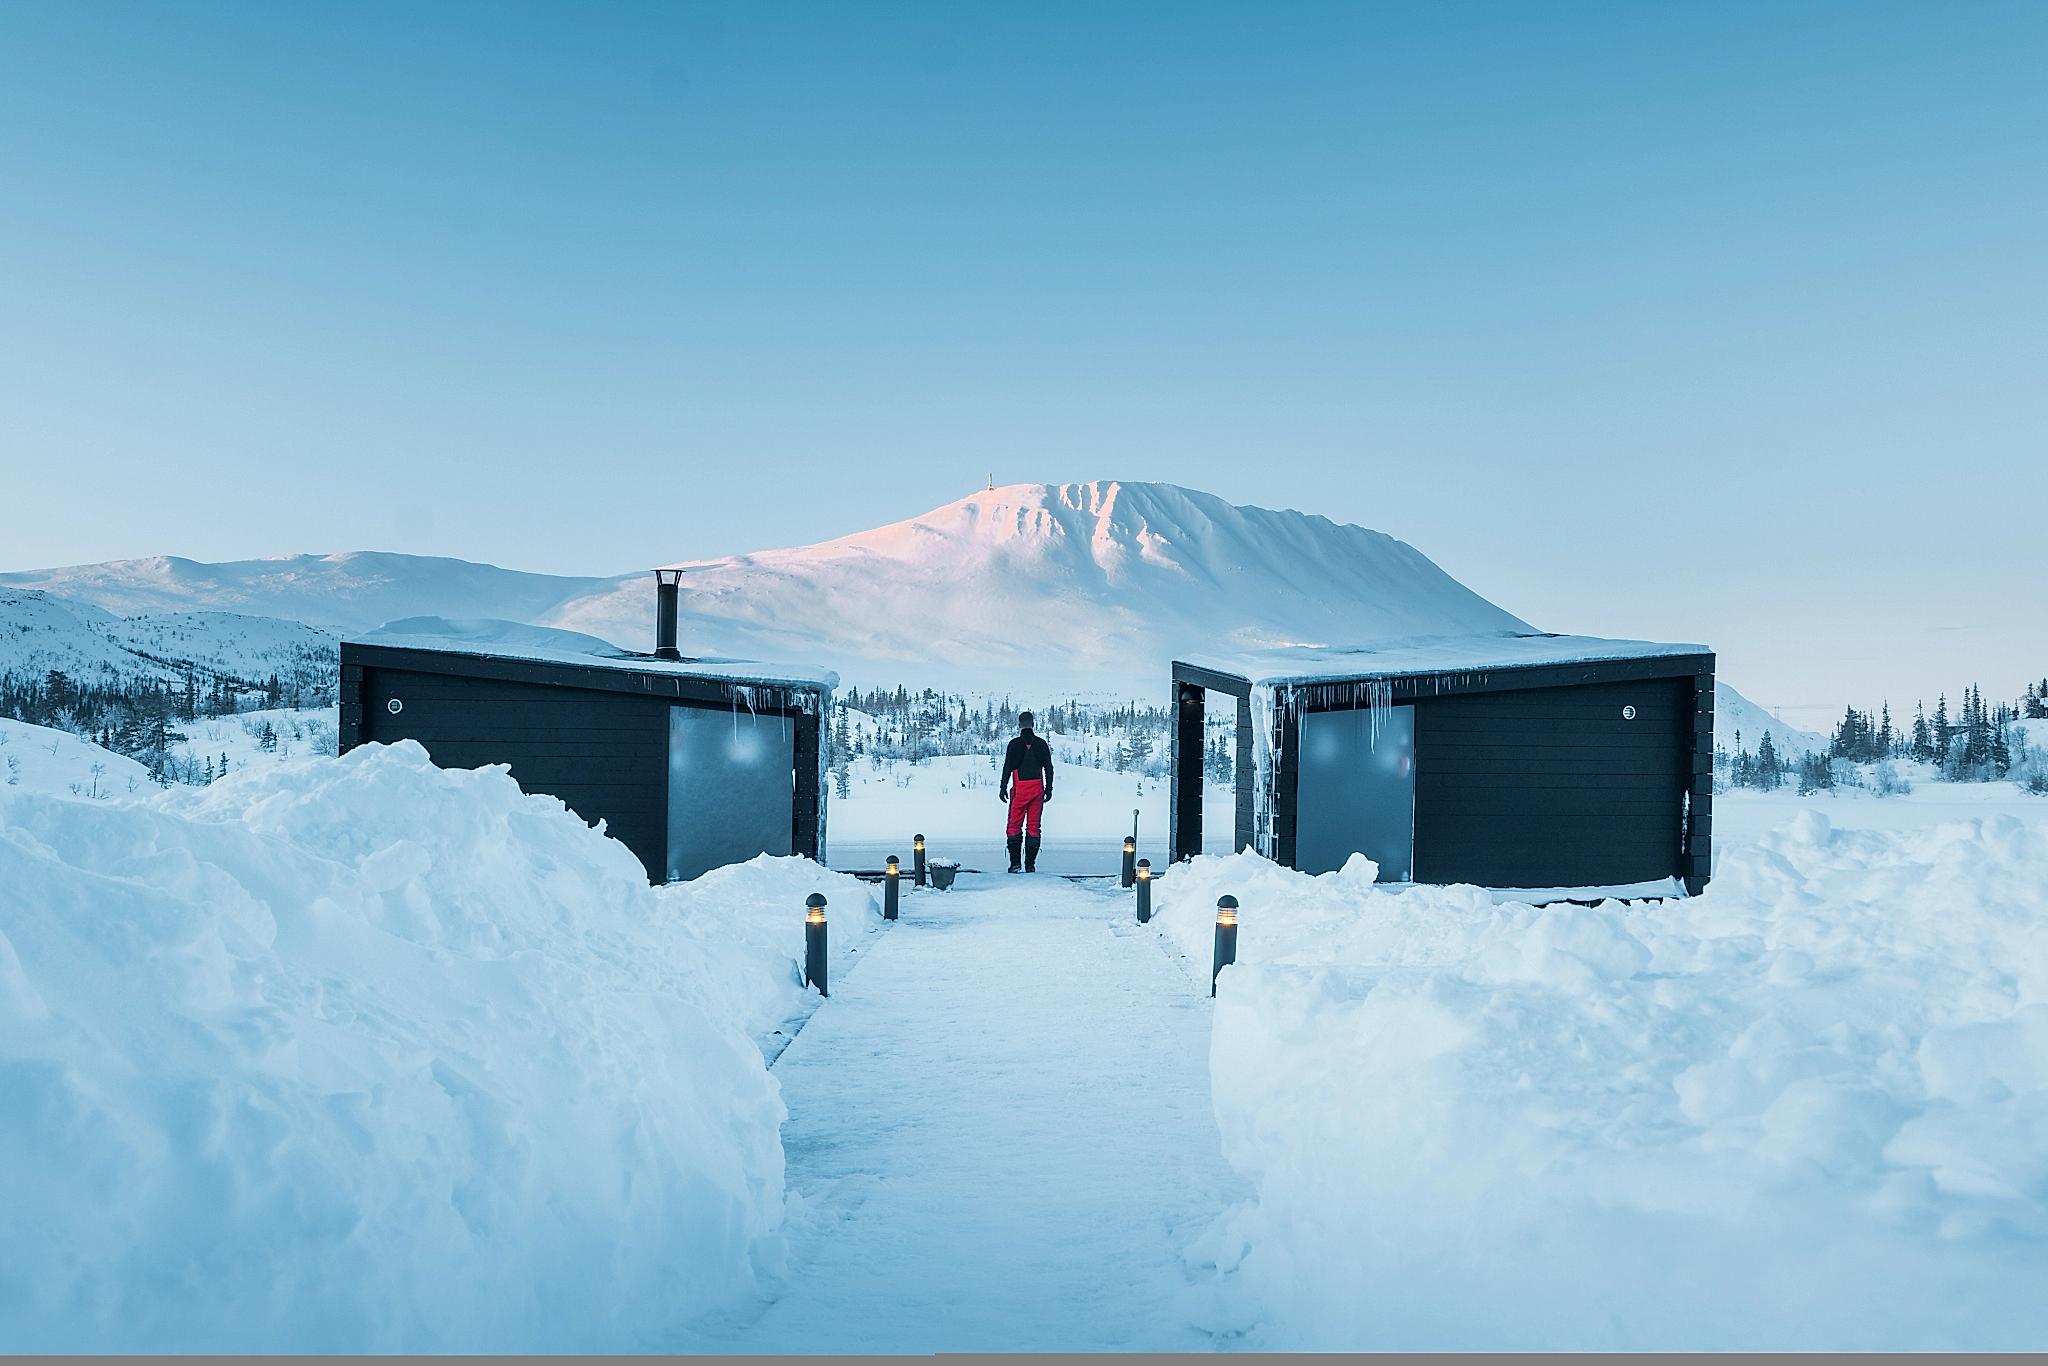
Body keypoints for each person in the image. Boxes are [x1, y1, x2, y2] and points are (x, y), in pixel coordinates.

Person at [999, 711, 1055, 873]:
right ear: (1033, 724)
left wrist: (1002, 788)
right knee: (1033, 827)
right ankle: (1030, 864)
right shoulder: (1041, 744)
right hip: (1037, 790)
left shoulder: (1014, 744)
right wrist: (1049, 789)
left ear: (1019, 725)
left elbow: (1007, 767)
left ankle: (1015, 863)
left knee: (1014, 826)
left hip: (1019, 791)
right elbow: (1049, 768)